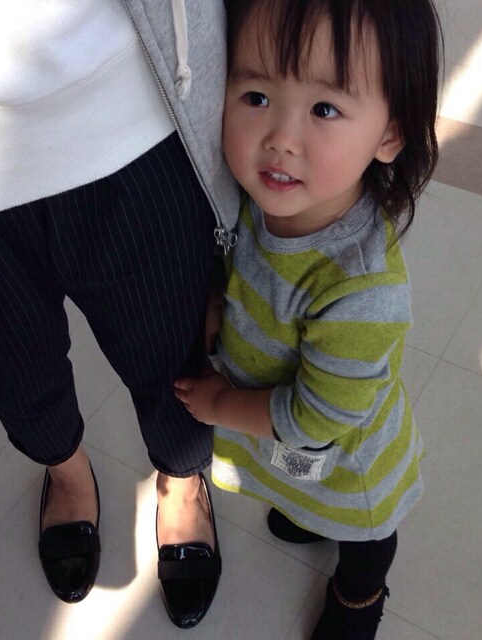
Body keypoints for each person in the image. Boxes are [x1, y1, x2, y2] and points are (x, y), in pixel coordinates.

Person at [0, 0, 238, 628]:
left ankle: (182, 480)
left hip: (129, 104)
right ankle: (66, 469)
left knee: (173, 348)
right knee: (15, 367)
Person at [173, 0, 441, 637]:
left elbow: (314, 421)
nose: (280, 138)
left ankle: (359, 600)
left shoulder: (360, 289)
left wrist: (216, 404)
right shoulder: (249, 200)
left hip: (348, 461)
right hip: (283, 439)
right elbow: (234, 267)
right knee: (300, 494)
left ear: (390, 135)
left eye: (324, 109)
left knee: (364, 539)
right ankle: (307, 513)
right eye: (256, 96)